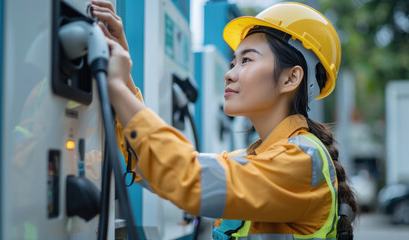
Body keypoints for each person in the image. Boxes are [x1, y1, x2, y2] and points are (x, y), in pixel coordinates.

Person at [91, 1, 357, 239]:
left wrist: (114, 84)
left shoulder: (302, 160)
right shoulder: (258, 158)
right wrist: (123, 75)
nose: (229, 74)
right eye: (233, 63)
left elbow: (190, 180)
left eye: (247, 60)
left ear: (291, 78)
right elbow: (151, 165)